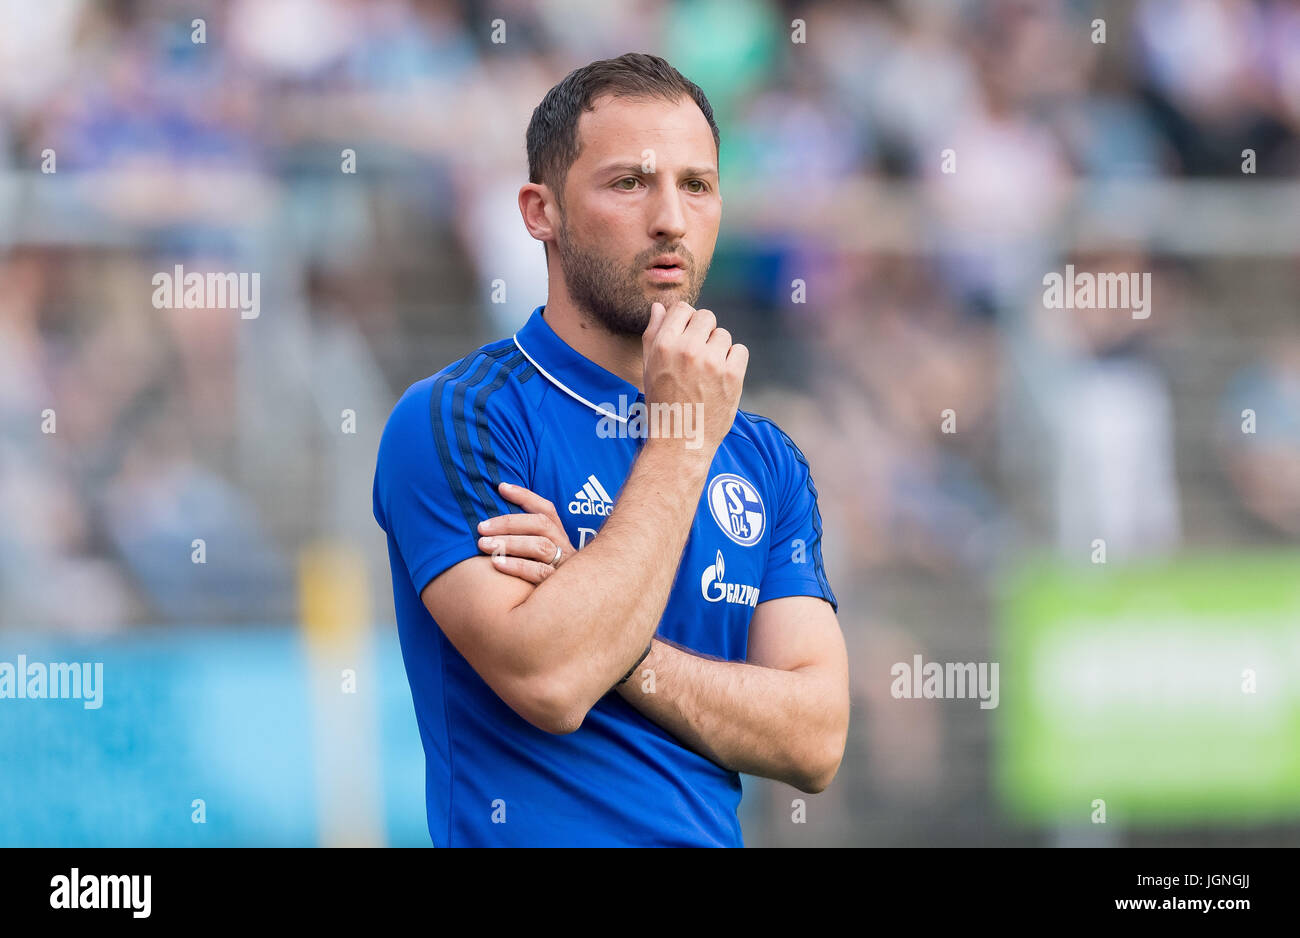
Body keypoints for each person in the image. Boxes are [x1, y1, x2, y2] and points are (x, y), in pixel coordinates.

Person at [372, 52, 848, 847]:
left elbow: (814, 738)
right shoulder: (459, 419)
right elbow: (552, 679)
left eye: (696, 185)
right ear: (540, 211)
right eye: (630, 183)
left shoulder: (766, 458)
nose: (670, 218)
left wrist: (617, 644)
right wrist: (682, 442)